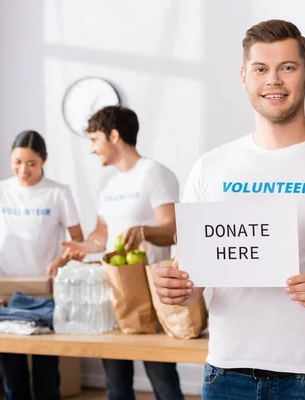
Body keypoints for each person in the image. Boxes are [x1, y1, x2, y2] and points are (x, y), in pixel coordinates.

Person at [153, 20, 305, 400]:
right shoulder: (210, 168)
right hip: (225, 376)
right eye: (260, 69)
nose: (273, 80)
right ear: (244, 77)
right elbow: (195, 276)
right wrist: (178, 289)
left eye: (287, 67)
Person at [61, 106, 184, 400]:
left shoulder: (154, 174)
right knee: (115, 384)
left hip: (153, 292)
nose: (92, 149)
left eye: (94, 140)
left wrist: (144, 231)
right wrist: (84, 247)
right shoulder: (109, 184)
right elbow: (101, 235)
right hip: (115, 291)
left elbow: (174, 227)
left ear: (113, 136)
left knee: (162, 380)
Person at [0, 130, 84, 400]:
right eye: (17, 162)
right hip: (9, 291)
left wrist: (61, 259)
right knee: (13, 375)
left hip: (46, 291)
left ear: (44, 160)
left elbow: (78, 240)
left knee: (47, 376)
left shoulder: (58, 193)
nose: (23, 170)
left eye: (31, 163)